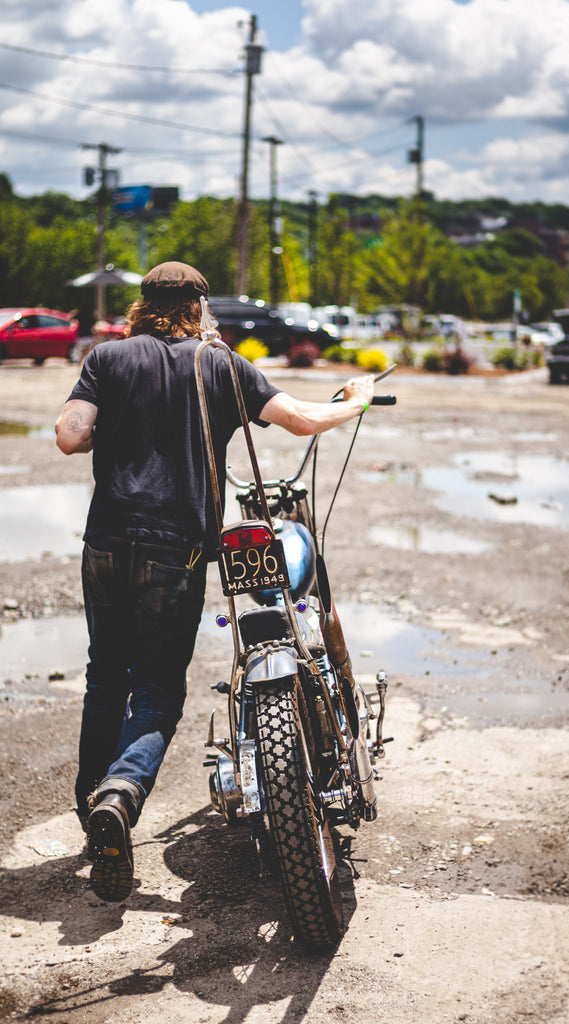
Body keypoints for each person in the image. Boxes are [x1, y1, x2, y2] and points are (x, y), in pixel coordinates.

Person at [55, 261, 374, 903]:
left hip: (107, 541)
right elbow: (302, 421)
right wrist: (355, 402)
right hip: (177, 549)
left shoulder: (107, 360)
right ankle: (120, 794)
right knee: (155, 692)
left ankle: (96, 813)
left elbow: (70, 435)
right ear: (199, 307)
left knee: (104, 675)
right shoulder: (221, 364)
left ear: (144, 305)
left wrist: (119, 428)